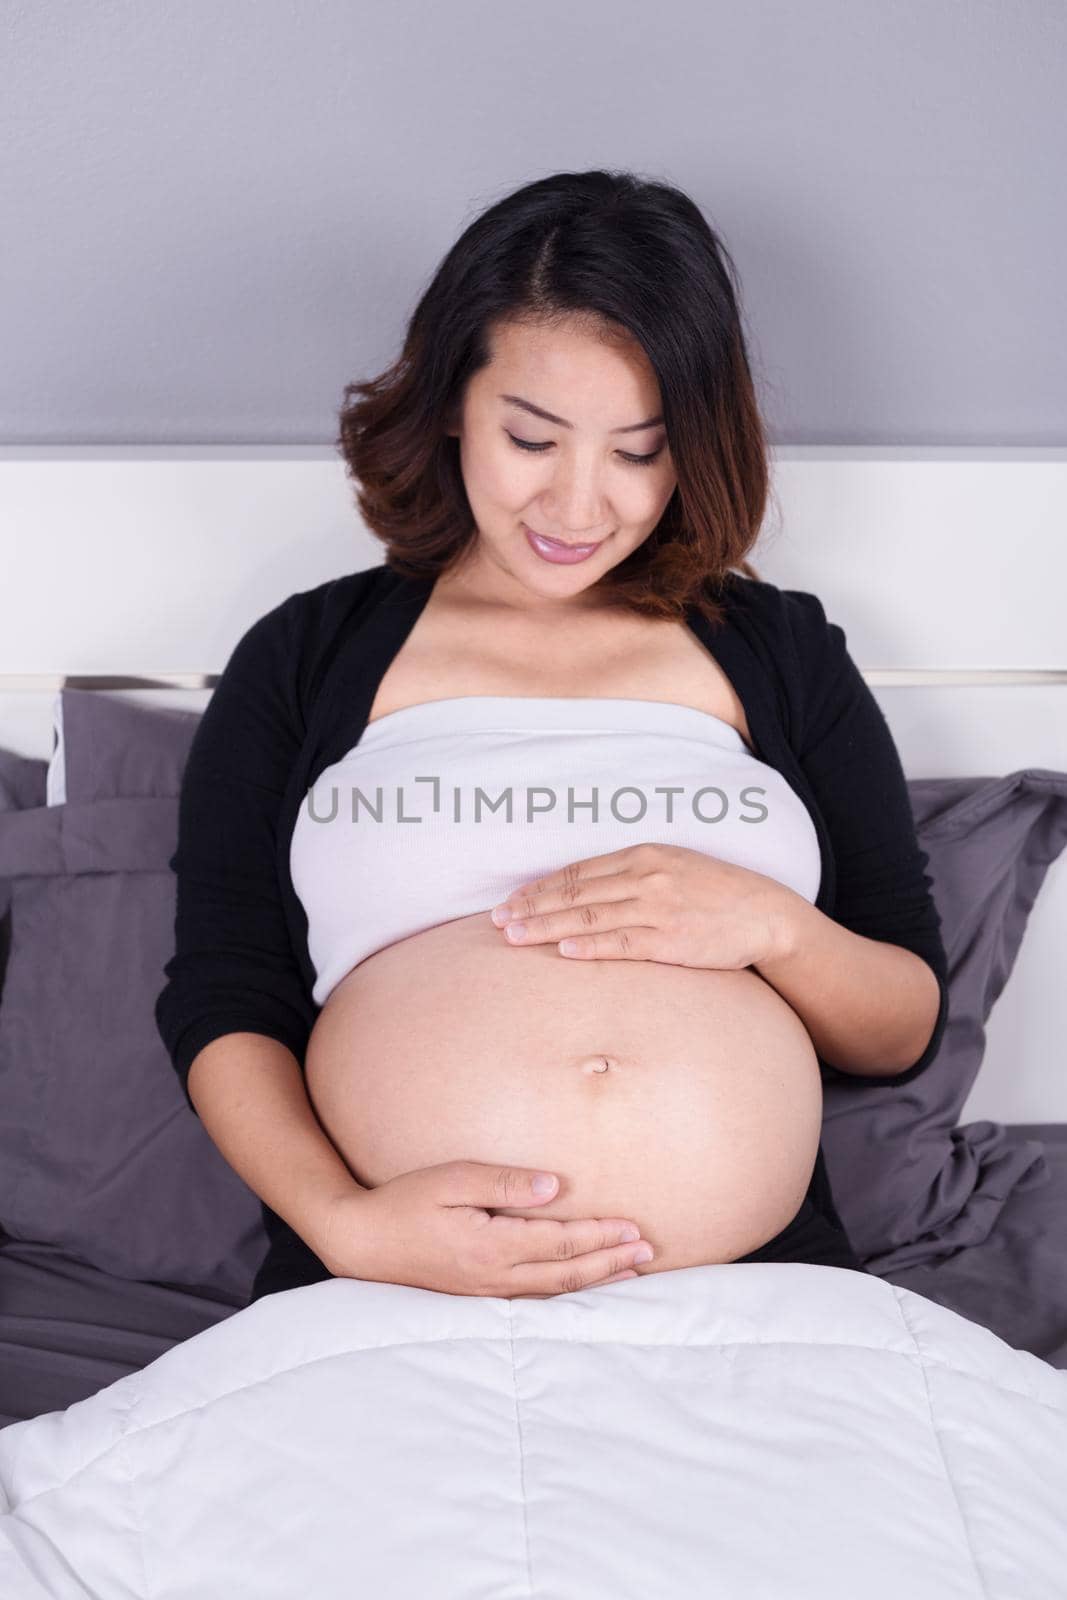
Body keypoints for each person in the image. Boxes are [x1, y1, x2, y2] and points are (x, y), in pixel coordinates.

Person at [155, 169, 949, 1304]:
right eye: (531, 439)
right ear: (448, 407)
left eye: (637, 452)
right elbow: (224, 998)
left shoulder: (778, 652)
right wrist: (348, 1227)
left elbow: (901, 1022)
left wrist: (769, 926)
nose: (579, 509)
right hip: (397, 1292)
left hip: (754, 1293)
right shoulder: (307, 657)